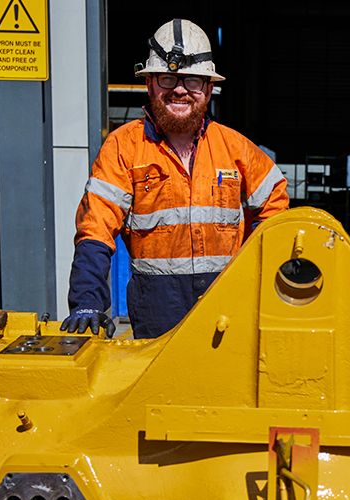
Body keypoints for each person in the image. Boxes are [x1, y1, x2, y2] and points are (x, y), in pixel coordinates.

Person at [62, 18, 289, 338]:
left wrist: (259, 279)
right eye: (169, 78)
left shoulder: (236, 148)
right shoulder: (123, 148)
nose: (180, 89)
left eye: (193, 80)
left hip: (227, 306)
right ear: (150, 83)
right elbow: (95, 228)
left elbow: (275, 208)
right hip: (157, 311)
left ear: (209, 88)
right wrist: (87, 301)